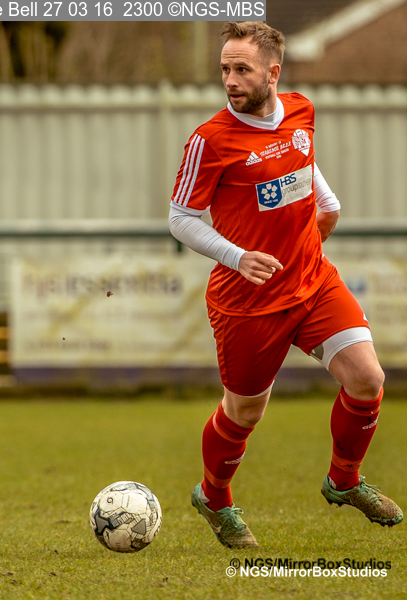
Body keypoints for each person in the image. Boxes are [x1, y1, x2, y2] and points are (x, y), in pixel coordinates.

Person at [168, 21, 403, 549]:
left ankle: (344, 480)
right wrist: (236, 256)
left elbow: (302, 159)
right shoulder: (210, 140)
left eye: (242, 70)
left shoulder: (301, 110)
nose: (230, 80)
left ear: (273, 73)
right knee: (244, 412)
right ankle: (214, 498)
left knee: (367, 379)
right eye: (225, 69)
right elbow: (180, 218)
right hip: (247, 301)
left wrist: (328, 204)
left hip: (312, 281)